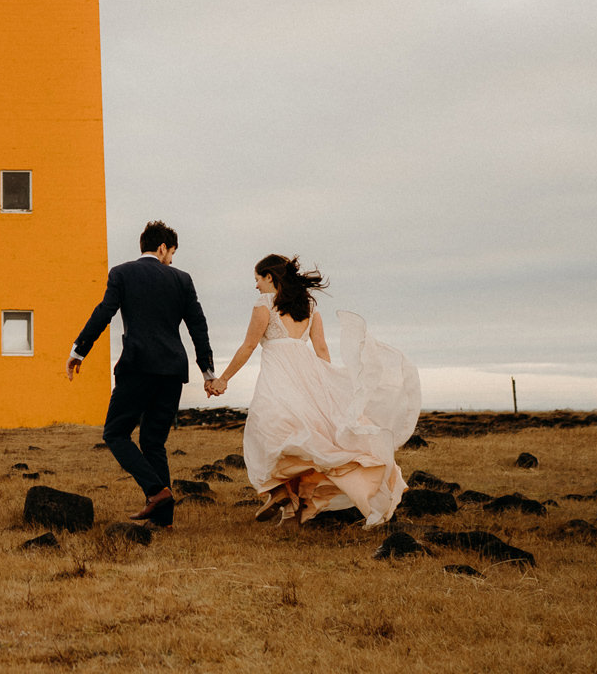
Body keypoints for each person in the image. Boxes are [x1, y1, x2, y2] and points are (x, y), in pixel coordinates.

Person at [210, 254, 420, 527]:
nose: (256, 286)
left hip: (279, 377)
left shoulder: (264, 304)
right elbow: (321, 349)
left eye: (258, 279)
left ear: (270, 277)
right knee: (304, 438)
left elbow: (248, 346)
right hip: (310, 375)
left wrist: (223, 379)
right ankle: (290, 512)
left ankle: (279, 492)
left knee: (268, 431)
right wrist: (328, 386)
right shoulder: (309, 306)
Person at [66, 220, 216, 525]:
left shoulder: (122, 273)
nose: (171, 259)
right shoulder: (183, 280)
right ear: (162, 248)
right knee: (153, 442)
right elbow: (198, 326)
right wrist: (208, 371)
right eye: (171, 253)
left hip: (138, 367)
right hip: (173, 371)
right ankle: (164, 519)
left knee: (115, 433)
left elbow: (104, 313)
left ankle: (156, 492)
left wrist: (79, 350)